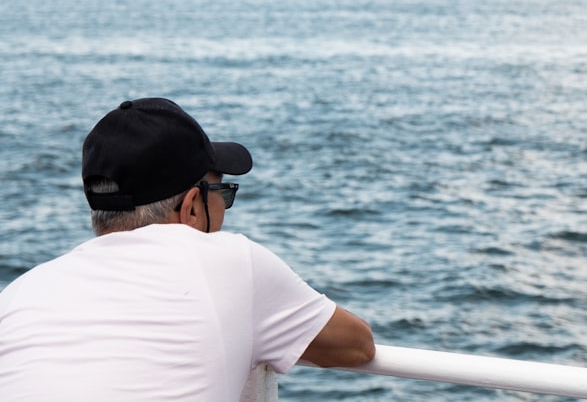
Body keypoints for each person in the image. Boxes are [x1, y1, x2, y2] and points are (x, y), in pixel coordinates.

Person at [0, 97, 375, 400]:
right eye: (223, 193)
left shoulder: (20, 293)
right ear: (193, 205)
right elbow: (357, 346)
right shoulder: (232, 262)